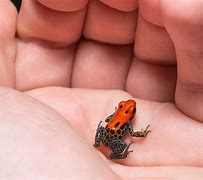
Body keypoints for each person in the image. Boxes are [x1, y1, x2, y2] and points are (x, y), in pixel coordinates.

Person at [0, 0, 202, 179]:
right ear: (124, 112)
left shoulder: (117, 119)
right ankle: (116, 153)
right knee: (123, 145)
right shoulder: (128, 126)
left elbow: (108, 122)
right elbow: (136, 135)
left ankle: (99, 144)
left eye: (128, 110)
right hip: (112, 136)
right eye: (127, 109)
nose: (128, 110)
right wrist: (142, 135)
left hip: (106, 134)